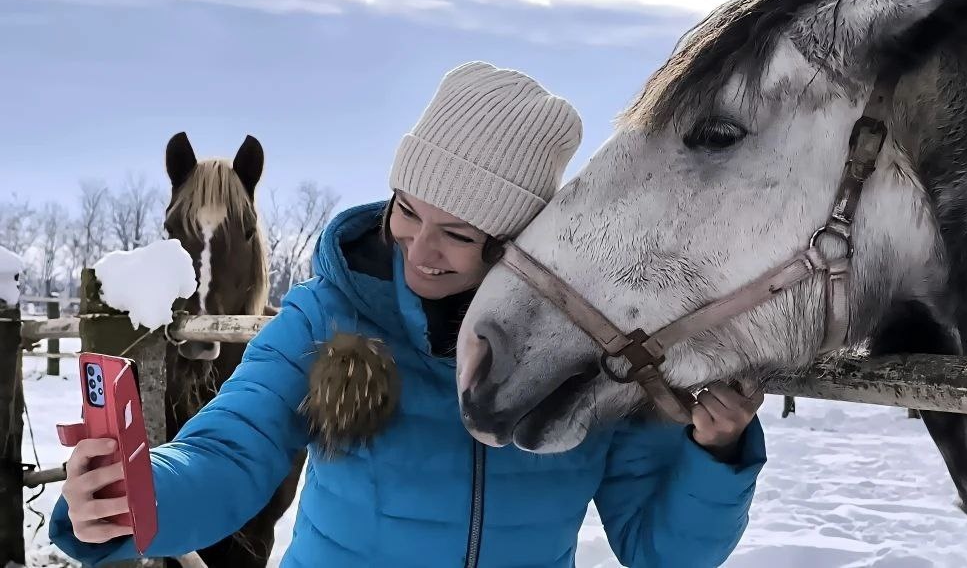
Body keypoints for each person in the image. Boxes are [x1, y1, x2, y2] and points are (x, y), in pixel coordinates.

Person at [50, 61, 767, 568]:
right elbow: (230, 452)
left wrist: (717, 455)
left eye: (458, 234)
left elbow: (662, 548)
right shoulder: (329, 314)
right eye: (407, 210)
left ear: (515, 240)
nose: (420, 251)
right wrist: (127, 497)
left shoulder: (587, 358)